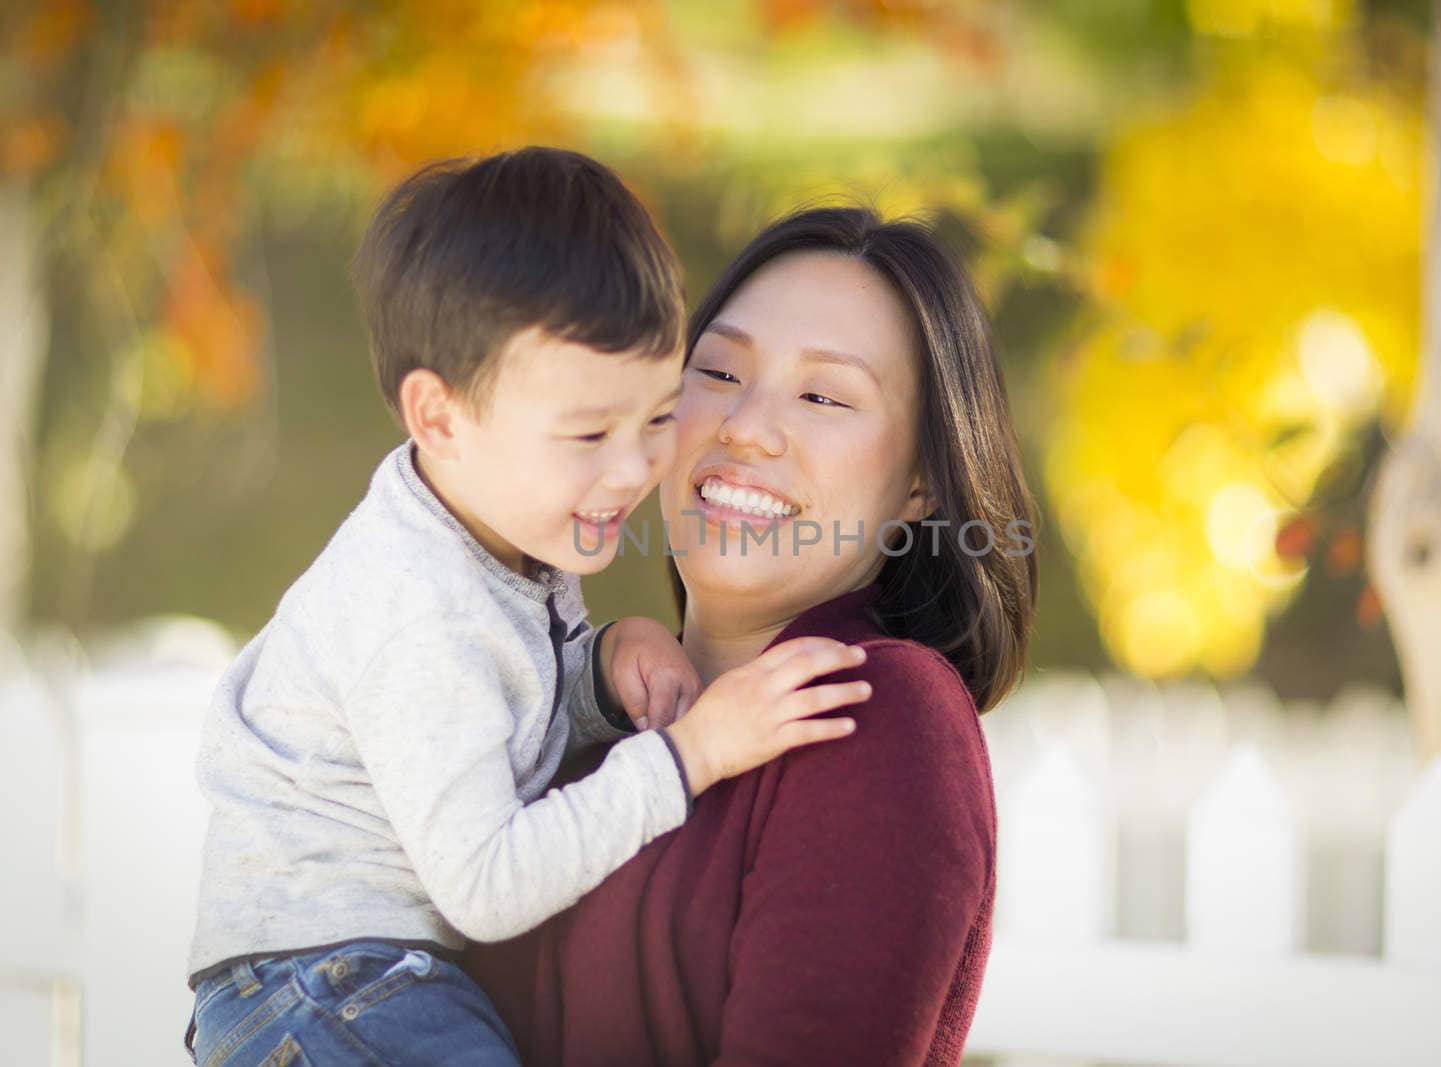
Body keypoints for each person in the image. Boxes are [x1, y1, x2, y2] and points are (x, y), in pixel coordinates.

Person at [183, 150, 868, 1067]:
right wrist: (690, 754)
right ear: (442, 419)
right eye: (589, 433)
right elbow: (488, 885)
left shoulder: (499, 523)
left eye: (659, 417)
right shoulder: (419, 609)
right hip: (324, 988)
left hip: (357, 980)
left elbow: (497, 706)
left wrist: (597, 672)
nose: (632, 471)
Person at [466, 205, 1039, 1065]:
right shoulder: (574, 713)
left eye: (822, 395)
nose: (746, 425)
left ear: (920, 481)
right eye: (721, 373)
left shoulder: (870, 714)